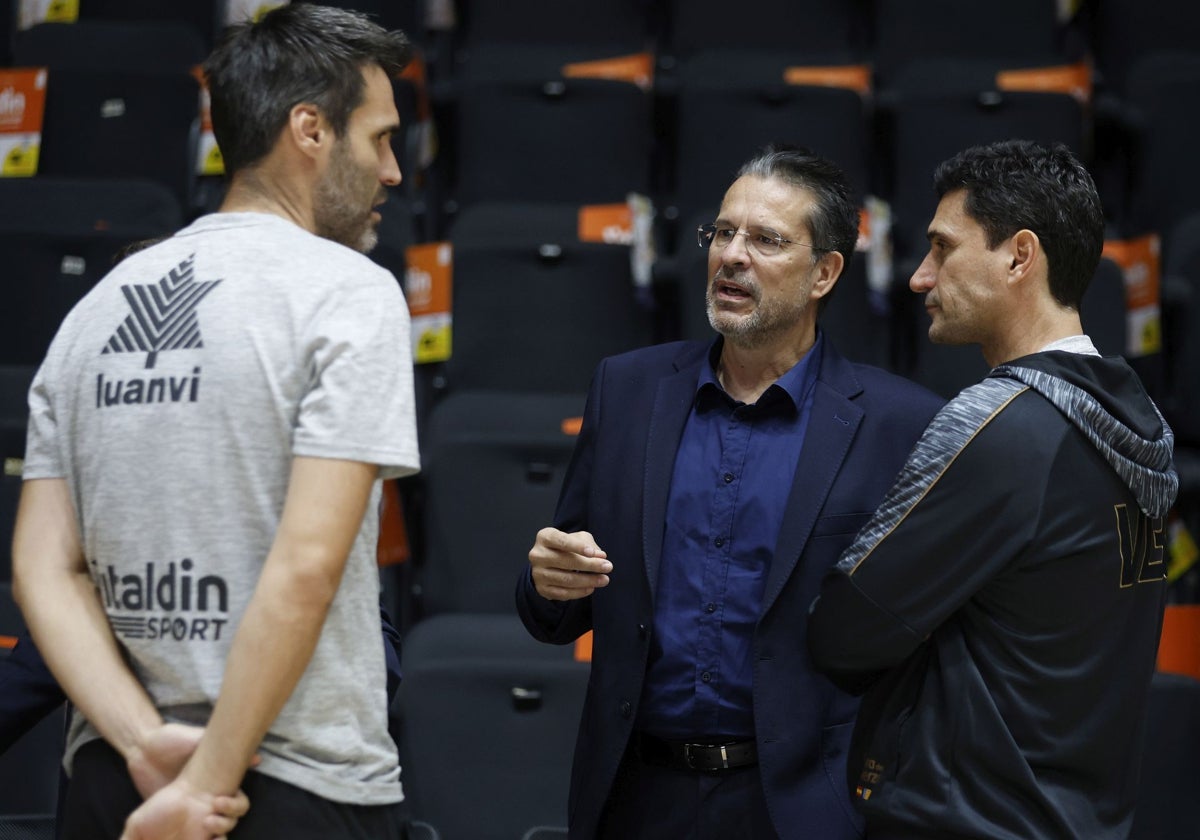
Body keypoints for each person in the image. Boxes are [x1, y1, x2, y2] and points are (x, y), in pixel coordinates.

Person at [11, 4, 420, 838]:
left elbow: (42, 570)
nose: (393, 172)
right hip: (285, 783)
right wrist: (205, 782)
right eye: (379, 138)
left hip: (117, 778)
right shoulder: (348, 290)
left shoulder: (98, 307)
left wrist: (142, 743)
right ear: (310, 130)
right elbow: (306, 564)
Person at [516, 146, 945, 839]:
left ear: (824, 273)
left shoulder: (901, 425)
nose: (732, 256)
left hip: (801, 807)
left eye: (767, 240)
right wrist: (546, 583)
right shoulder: (626, 391)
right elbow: (556, 610)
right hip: (635, 798)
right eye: (722, 232)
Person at [807, 139, 1179, 839]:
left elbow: (844, 634)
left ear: (1018, 256)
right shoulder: (1143, 423)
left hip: (968, 820)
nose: (920, 277)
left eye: (944, 248)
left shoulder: (1005, 427)